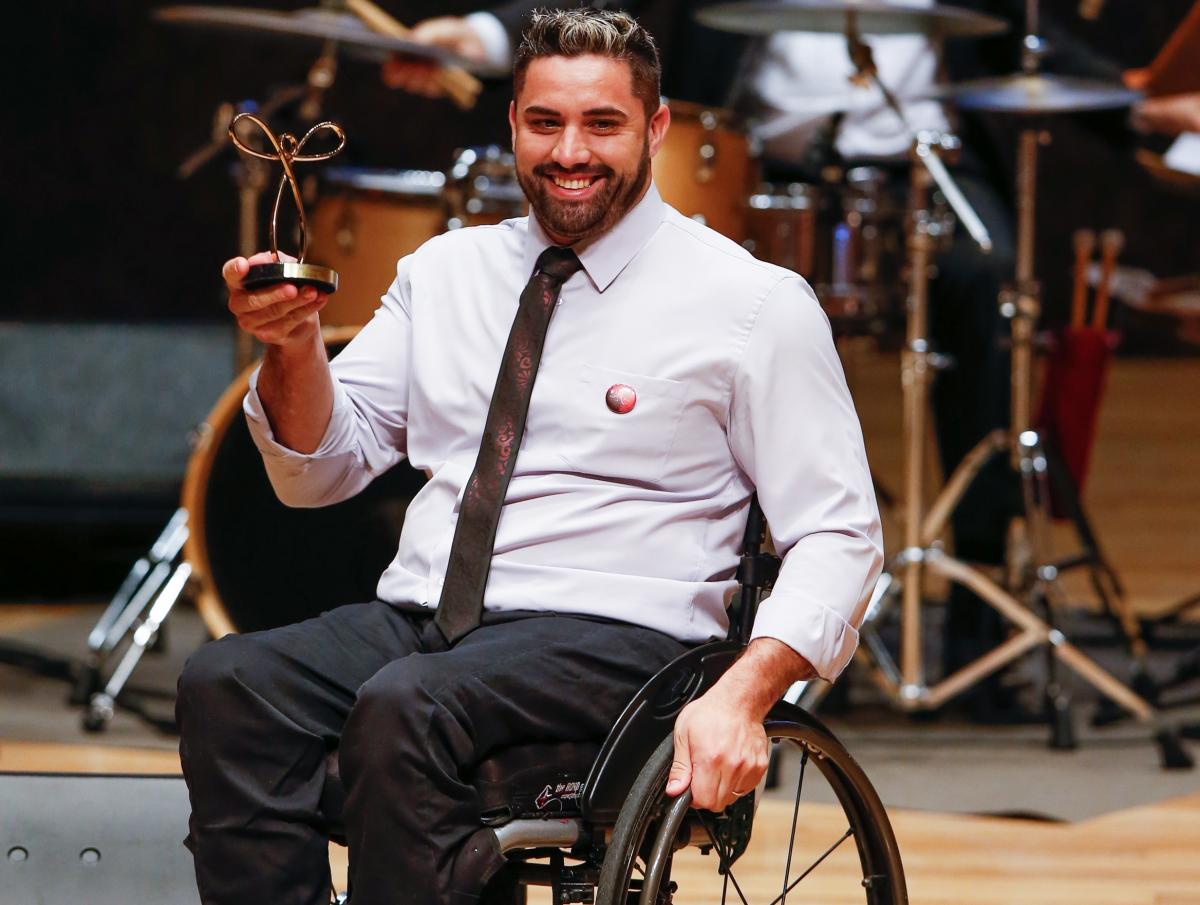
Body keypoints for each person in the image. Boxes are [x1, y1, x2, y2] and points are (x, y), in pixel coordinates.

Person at [176, 9, 882, 905]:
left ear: (655, 129)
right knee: (228, 681)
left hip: (624, 642)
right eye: (545, 123)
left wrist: (746, 693)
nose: (570, 151)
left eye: (603, 124)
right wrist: (292, 347)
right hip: (431, 621)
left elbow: (841, 534)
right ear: (512, 123)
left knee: (407, 707)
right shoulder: (445, 273)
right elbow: (320, 468)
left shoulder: (751, 303)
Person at [384, 0, 1200, 719]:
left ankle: (978, 615)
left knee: (989, 287)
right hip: (761, 167)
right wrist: (484, 33)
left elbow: (1029, 38)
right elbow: (596, 12)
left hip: (927, 168)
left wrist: (1141, 107)